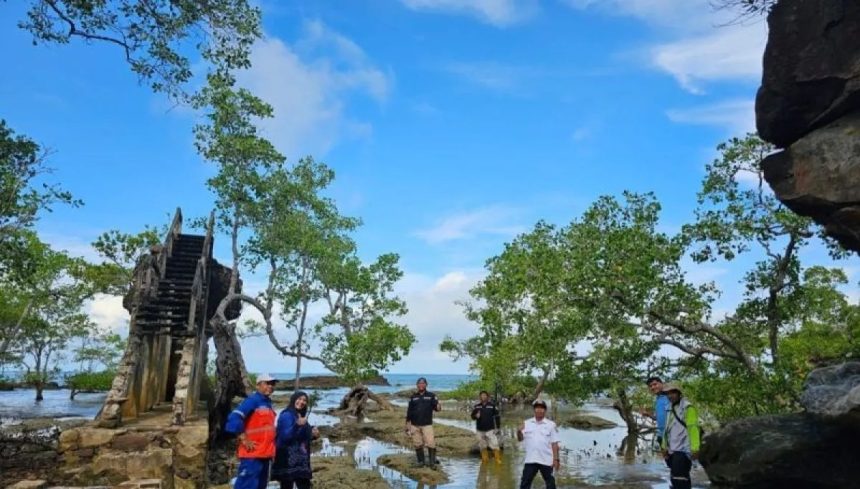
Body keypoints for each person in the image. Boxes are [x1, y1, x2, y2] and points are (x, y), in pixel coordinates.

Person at [225, 373, 278, 489]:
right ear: (258, 385)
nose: (270, 386)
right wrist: (243, 438)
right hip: (252, 454)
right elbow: (234, 417)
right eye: (267, 383)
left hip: (265, 454)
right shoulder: (252, 401)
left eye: (272, 384)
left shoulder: (268, 403)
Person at [272, 391, 320, 489]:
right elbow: (285, 436)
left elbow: (302, 435)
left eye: (304, 400)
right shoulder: (286, 415)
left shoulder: (299, 415)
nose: (301, 402)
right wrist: (297, 425)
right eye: (299, 399)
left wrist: (313, 434)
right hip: (287, 461)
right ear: (293, 400)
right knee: (287, 486)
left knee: (304, 485)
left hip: (300, 462)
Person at [660, 383, 700, 489]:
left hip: (683, 450)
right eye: (667, 393)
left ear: (678, 393)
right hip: (671, 449)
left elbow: (693, 428)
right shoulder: (669, 407)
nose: (670, 396)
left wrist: (695, 448)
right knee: (675, 478)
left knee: (680, 479)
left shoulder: (688, 407)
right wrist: (664, 447)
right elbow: (666, 429)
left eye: (672, 392)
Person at [516, 399, 560, 489]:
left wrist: (556, 459)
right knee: (524, 484)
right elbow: (520, 439)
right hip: (531, 459)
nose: (539, 410)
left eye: (542, 408)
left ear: (545, 410)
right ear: (534, 410)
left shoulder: (551, 425)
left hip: (547, 460)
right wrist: (518, 431)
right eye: (537, 408)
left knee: (551, 484)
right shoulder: (527, 423)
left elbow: (554, 443)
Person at [405, 377, 441, 468]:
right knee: (417, 444)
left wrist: (439, 406)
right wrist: (407, 424)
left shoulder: (431, 396)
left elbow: (437, 409)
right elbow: (409, 412)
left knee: (431, 443)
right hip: (414, 425)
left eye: (423, 383)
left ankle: (432, 463)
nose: (421, 385)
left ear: (426, 385)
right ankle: (421, 462)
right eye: (419, 383)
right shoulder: (413, 397)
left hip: (427, 425)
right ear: (417, 385)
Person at [470, 390, 502, 465]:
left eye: (485, 395)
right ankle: (485, 460)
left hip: (490, 429)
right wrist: (475, 416)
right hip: (480, 430)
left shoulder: (492, 405)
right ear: (480, 397)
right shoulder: (477, 406)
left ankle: (498, 460)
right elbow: (472, 417)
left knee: (495, 444)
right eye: (482, 395)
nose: (483, 396)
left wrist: (498, 427)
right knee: (482, 446)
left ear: (487, 397)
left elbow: (497, 416)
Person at [640, 376, 670, 447]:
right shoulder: (657, 399)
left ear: (661, 384)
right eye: (650, 386)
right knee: (667, 457)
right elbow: (657, 418)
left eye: (655, 384)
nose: (653, 387)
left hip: (671, 436)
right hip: (661, 435)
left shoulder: (670, 397)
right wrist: (647, 414)